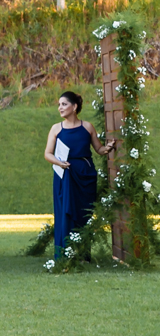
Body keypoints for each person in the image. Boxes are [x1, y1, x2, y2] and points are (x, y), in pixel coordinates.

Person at [45, 90, 115, 260]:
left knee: (84, 213)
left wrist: (108, 148)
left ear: (74, 107)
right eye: (59, 105)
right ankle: (64, 255)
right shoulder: (56, 128)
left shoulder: (87, 127)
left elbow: (98, 149)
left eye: (64, 104)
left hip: (85, 174)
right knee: (65, 213)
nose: (60, 108)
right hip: (65, 175)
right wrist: (59, 162)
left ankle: (83, 254)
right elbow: (48, 153)